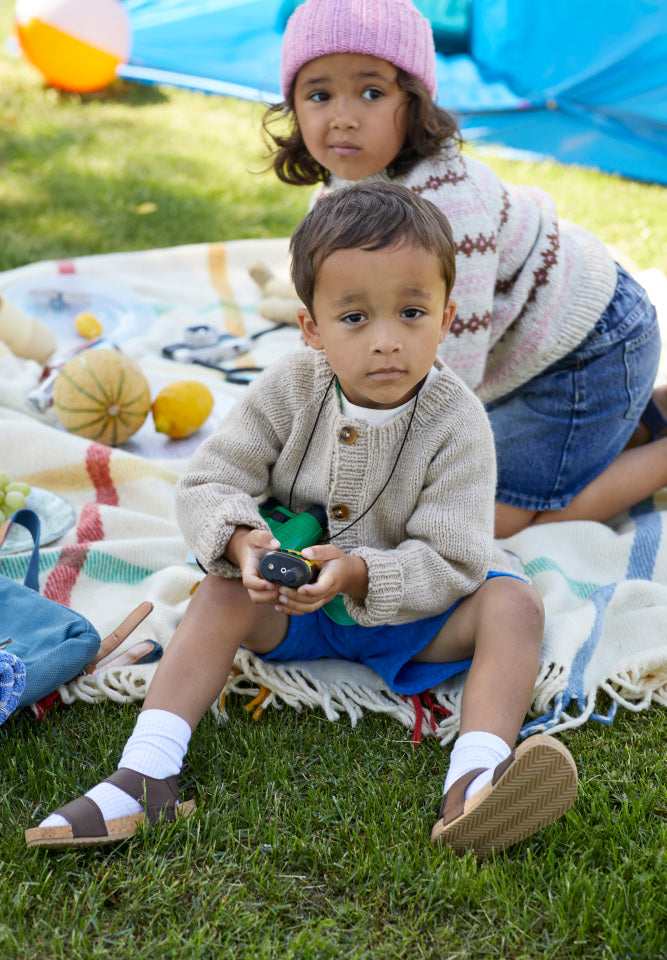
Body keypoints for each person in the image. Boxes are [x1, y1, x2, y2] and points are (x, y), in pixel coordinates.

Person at [26, 182, 577, 857]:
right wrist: (244, 543)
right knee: (219, 590)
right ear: (310, 327)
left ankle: (474, 783)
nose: (385, 342)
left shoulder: (457, 422)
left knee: (513, 604)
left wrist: (357, 573)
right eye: (354, 318)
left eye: (410, 313)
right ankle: (146, 775)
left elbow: (453, 557)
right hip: (287, 607)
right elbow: (209, 480)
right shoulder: (288, 389)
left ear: (446, 317)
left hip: (413, 621)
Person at [262, 0, 665, 539]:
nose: (343, 116)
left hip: (588, 349)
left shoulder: (449, 211)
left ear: (417, 102)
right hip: (534, 348)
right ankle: (640, 416)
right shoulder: (341, 192)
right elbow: (334, 332)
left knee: (488, 516)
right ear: (293, 105)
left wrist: (379, 479)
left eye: (372, 92)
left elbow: (450, 376)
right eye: (318, 94)